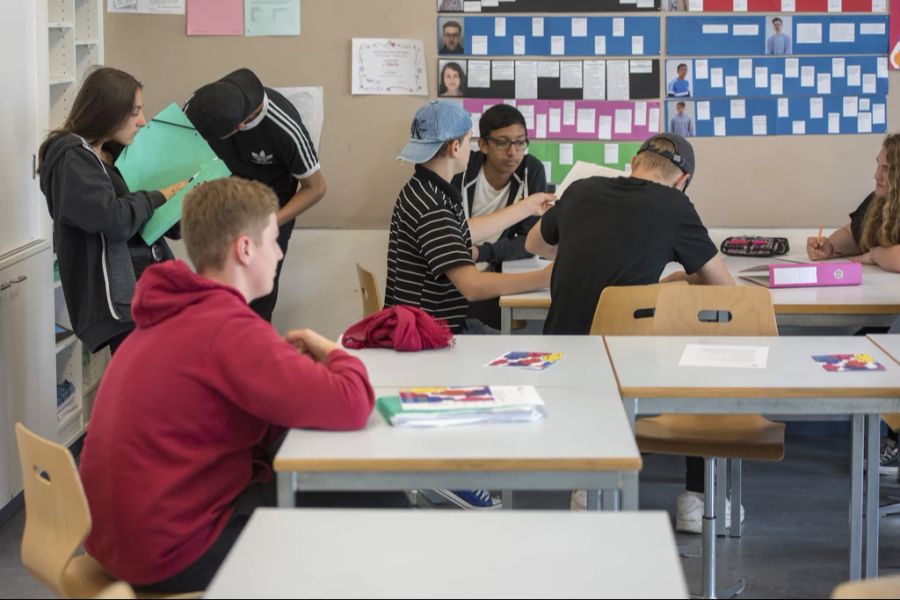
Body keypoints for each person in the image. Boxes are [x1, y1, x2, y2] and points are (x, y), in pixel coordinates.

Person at [78, 177, 386, 594]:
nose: (278, 254)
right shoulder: (227, 328)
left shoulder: (171, 315)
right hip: (171, 553)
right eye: (274, 241)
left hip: (120, 541)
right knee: (375, 497)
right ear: (245, 248)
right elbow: (352, 403)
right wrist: (332, 350)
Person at [525, 134, 735, 530]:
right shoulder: (675, 205)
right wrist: (671, 282)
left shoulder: (581, 189)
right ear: (683, 180)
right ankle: (699, 498)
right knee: (700, 358)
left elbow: (535, 242)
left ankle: (591, 486)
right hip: (632, 363)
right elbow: (724, 291)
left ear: (635, 160)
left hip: (563, 357)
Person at [385, 101, 552, 509]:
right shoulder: (433, 206)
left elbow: (469, 229)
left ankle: (459, 464)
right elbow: (473, 287)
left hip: (424, 324)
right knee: (533, 364)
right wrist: (549, 277)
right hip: (433, 334)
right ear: (459, 147)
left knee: (531, 357)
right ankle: (451, 473)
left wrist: (529, 206)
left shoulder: (427, 188)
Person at [38, 67, 187, 355]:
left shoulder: (110, 152)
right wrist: (159, 196)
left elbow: (145, 218)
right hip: (123, 303)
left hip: (151, 286)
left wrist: (179, 203)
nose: (142, 121)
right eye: (135, 112)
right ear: (109, 112)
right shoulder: (71, 157)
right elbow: (113, 219)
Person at [184, 68, 326, 322]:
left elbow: (316, 188)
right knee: (213, 296)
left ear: (238, 127)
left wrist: (269, 224)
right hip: (222, 206)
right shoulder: (202, 105)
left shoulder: (284, 128)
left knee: (256, 303)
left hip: (269, 211)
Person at [451, 104, 556, 328]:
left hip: (494, 272)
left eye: (520, 142)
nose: (512, 152)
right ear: (483, 145)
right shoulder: (462, 171)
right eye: (502, 142)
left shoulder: (531, 170)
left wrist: (481, 253)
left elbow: (528, 242)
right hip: (456, 275)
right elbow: (450, 233)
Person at [807, 134, 900, 272]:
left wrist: (874, 255)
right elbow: (852, 233)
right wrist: (829, 247)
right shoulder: (878, 200)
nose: (877, 175)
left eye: (886, 169)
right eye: (878, 165)